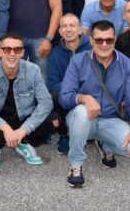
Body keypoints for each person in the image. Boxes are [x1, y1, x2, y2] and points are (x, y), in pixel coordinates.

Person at [60, 20, 130, 188]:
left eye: (109, 40)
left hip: (109, 121)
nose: (104, 44)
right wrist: (84, 98)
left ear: (115, 40)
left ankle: (106, 145)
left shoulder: (126, 63)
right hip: (82, 120)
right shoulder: (78, 61)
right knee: (82, 112)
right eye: (99, 40)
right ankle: (76, 164)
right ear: (91, 40)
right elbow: (64, 97)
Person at [0, 33, 56, 169]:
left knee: (55, 121)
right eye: (7, 49)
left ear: (22, 52)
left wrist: (23, 130)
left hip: (23, 116)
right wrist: (6, 129)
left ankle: (23, 142)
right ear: (0, 51)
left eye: (17, 50)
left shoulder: (33, 70)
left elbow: (46, 103)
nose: (12, 53)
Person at [47, 14, 92, 155]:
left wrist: (82, 93)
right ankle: (64, 134)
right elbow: (53, 83)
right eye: (64, 26)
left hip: (89, 94)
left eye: (72, 25)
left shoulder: (91, 48)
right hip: (67, 95)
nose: (68, 29)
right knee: (53, 96)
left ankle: (94, 131)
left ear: (80, 30)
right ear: (60, 32)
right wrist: (73, 92)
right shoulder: (55, 53)